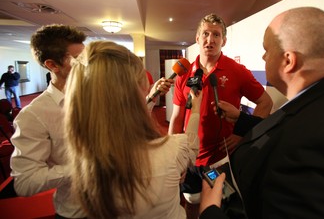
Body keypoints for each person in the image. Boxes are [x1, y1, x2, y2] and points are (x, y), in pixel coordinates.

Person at [199, 7, 324, 219]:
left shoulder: (318, 149)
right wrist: (241, 120)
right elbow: (288, 124)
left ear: (288, 61)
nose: (263, 56)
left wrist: (210, 212)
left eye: (267, 49)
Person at [63, 41, 202, 218]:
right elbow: (190, 147)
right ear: (132, 90)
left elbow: (119, 113)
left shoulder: (85, 152)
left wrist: (151, 96)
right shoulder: (170, 152)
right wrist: (196, 106)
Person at [168, 13, 273, 217]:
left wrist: (243, 136)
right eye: (205, 34)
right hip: (189, 160)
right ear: (197, 38)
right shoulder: (185, 75)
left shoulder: (237, 71)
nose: (210, 39)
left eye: (216, 34)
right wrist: (174, 155)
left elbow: (265, 102)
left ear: (223, 40)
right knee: (190, 204)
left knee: (218, 208)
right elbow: (177, 118)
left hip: (220, 159)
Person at [10, 24, 87, 218]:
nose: (87, 65)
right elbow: (25, 182)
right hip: (78, 211)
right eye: (78, 60)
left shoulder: (96, 95)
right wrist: (85, 167)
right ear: (52, 65)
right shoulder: (33, 115)